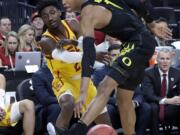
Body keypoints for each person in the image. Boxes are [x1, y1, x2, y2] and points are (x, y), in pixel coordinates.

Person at [60, 0, 172, 135]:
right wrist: (151, 23)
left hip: (138, 43)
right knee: (124, 100)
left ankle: (75, 131)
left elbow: (88, 54)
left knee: (104, 86)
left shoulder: (87, 14)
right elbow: (138, 4)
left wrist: (83, 91)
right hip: (136, 42)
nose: (63, 2)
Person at [36, 0, 112, 135]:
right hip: (63, 80)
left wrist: (73, 42)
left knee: (106, 126)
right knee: (68, 103)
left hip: (83, 80)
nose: (50, 17)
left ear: (60, 12)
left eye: (52, 13)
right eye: (45, 16)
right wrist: (91, 56)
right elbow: (65, 57)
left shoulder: (73, 25)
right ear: (42, 19)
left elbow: (88, 46)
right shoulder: (45, 41)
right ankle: (58, 132)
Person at [141, 47, 180, 135]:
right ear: (157, 60)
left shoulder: (177, 73)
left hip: (170, 104)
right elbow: (148, 95)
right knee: (153, 108)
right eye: (162, 58)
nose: (165, 61)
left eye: (167, 58)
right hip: (153, 102)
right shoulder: (148, 73)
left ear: (171, 61)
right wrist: (167, 100)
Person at [32, 64, 61, 129]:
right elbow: (45, 99)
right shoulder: (38, 75)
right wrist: (64, 100)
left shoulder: (65, 72)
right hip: (46, 106)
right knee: (57, 107)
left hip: (62, 101)